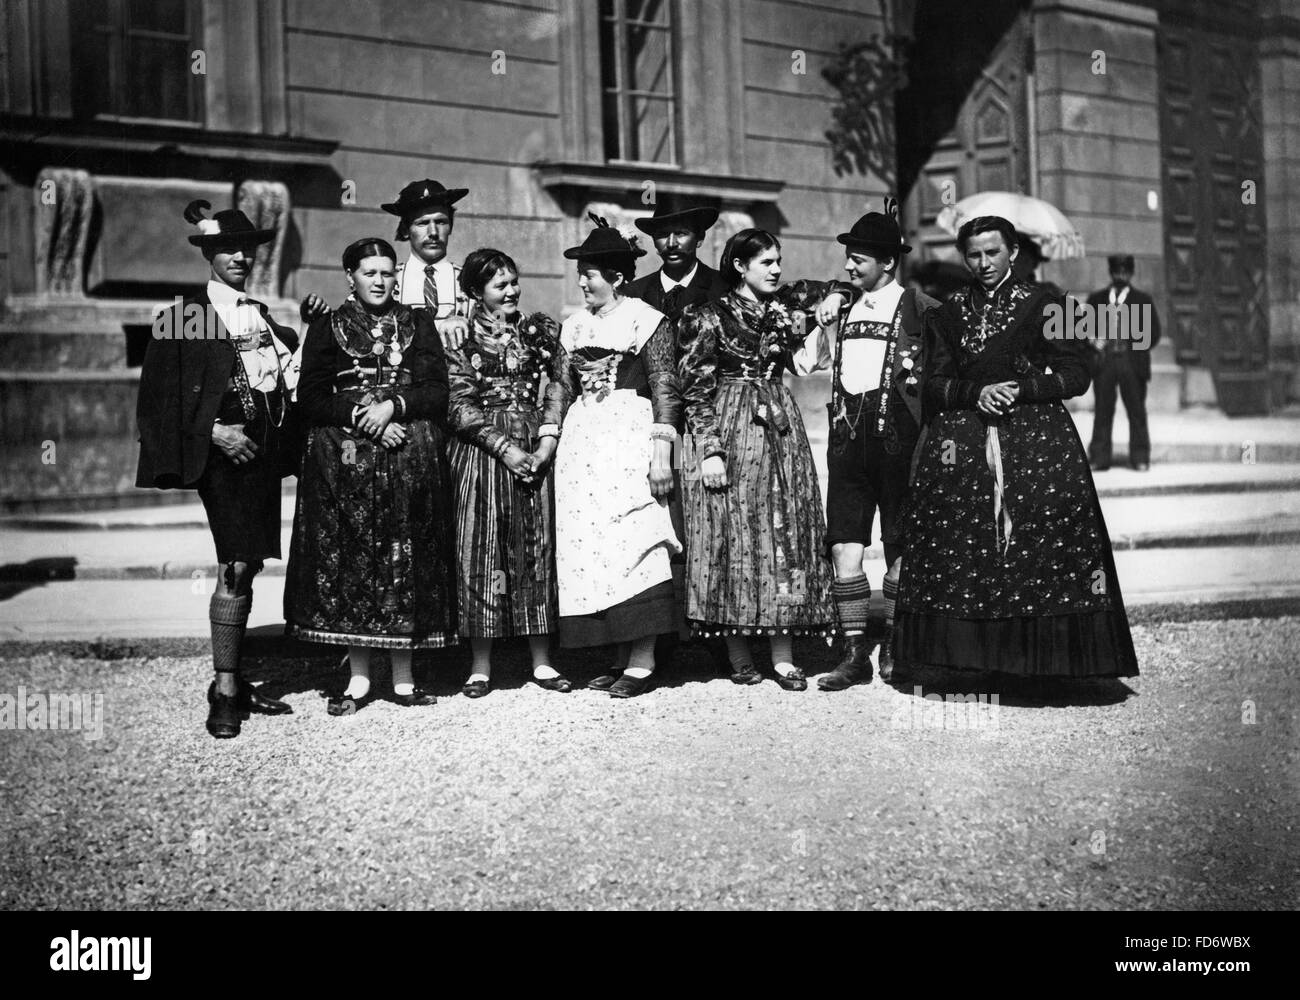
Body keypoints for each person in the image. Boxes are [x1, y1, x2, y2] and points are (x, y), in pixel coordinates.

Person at [894, 215, 1139, 680]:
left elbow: (1076, 375)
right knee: (969, 553)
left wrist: (1021, 389)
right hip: (965, 446)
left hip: (1038, 445)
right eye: (973, 254)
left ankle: (1040, 666)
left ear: (1013, 253)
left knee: (1039, 550)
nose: (983, 263)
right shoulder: (948, 313)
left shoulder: (1049, 303)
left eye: (993, 252)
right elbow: (934, 384)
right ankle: (974, 663)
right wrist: (975, 394)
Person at [135, 200, 297, 739]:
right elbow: (156, 400)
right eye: (227, 248)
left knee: (249, 563)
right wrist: (213, 432)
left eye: (246, 249)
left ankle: (236, 673)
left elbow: (282, 376)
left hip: (262, 455)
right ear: (208, 254)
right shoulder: (184, 313)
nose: (239, 257)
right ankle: (225, 687)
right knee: (232, 565)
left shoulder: (262, 314)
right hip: (221, 456)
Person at [284, 237, 457, 713]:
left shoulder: (417, 322)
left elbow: (436, 390)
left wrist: (394, 406)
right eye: (369, 273)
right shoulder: (328, 326)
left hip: (407, 460)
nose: (379, 281)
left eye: (385, 272)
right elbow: (311, 397)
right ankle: (358, 680)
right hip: (345, 463)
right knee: (353, 562)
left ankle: (404, 678)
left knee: (405, 558)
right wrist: (366, 415)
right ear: (350, 278)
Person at [676, 228, 853, 690]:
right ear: (739, 266)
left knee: (783, 528)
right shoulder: (708, 316)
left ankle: (782, 654)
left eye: (779, 261)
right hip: (730, 423)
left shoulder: (784, 307)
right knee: (733, 531)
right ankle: (737, 651)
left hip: (779, 424)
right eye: (766, 263)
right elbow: (695, 390)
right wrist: (709, 450)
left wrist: (831, 302)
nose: (776, 270)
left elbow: (839, 287)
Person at [791, 200, 939, 690]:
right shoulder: (842, 309)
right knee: (843, 550)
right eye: (848, 257)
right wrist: (822, 317)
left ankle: (895, 645)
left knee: (899, 548)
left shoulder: (922, 310)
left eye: (859, 258)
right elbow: (801, 362)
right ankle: (855, 654)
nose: (849, 265)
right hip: (848, 447)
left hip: (902, 447)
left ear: (888, 262)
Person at [539, 217, 680, 698]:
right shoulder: (574, 326)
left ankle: (643, 660)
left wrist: (661, 451)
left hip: (629, 437)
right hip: (583, 444)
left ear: (618, 277)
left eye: (591, 274)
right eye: (580, 273)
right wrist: (547, 441)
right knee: (593, 546)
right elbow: (559, 387)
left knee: (633, 540)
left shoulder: (645, 317)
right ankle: (617, 653)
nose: (582, 282)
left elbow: (664, 384)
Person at [445, 248, 570, 697]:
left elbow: (559, 383)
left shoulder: (538, 331)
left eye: (514, 281)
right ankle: (480, 665)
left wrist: (546, 440)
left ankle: (541, 660)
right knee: (483, 549)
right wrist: (504, 448)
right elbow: (457, 405)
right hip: (482, 454)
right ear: (477, 292)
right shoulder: (460, 339)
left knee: (535, 545)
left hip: (535, 448)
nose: (512, 290)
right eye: (501, 285)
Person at [301, 179, 473, 350]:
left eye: (441, 222)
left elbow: (494, 330)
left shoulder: (470, 281)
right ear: (406, 230)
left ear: (451, 226)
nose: (433, 232)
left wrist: (467, 323)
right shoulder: (384, 280)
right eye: (423, 223)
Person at [1087, 254, 1162, 471]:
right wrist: (1094, 341)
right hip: (1105, 363)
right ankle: (1100, 458)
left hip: (1132, 362)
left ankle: (1140, 457)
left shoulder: (1143, 300)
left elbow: (1154, 333)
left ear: (1131, 273)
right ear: (1111, 273)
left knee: (1136, 410)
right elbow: (1082, 330)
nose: (1121, 276)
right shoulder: (1097, 299)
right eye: (1117, 272)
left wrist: (1137, 340)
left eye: (1125, 272)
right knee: (1102, 410)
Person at [623, 200, 730, 320]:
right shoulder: (633, 293)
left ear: (699, 238)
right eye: (663, 234)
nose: (671, 243)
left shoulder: (725, 289)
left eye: (680, 233)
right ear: (654, 241)